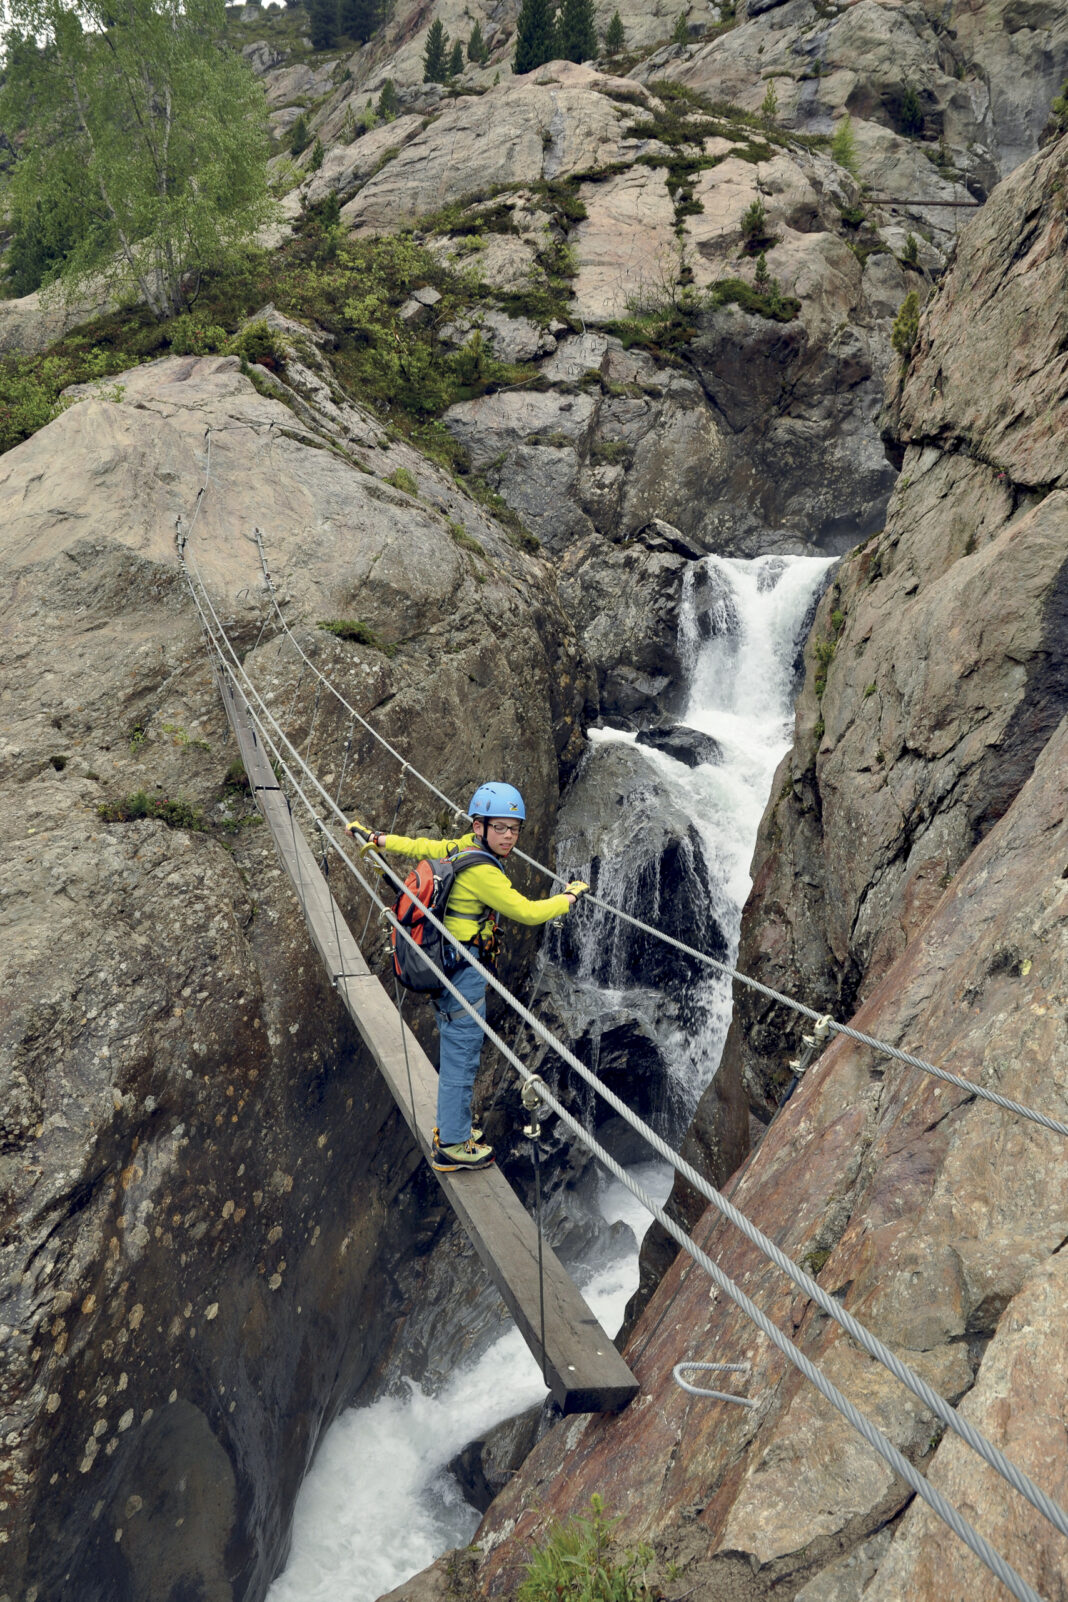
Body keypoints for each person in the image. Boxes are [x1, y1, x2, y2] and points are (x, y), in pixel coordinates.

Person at [347, 782, 587, 1172]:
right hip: (464, 973)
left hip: (444, 966)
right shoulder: (484, 873)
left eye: (515, 828)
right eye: (501, 828)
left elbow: (422, 847)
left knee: (457, 1048)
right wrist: (569, 898)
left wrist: (380, 839)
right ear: (480, 827)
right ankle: (453, 1144)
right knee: (462, 1057)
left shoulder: (460, 847)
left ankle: (453, 1126)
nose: (509, 836)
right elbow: (525, 911)